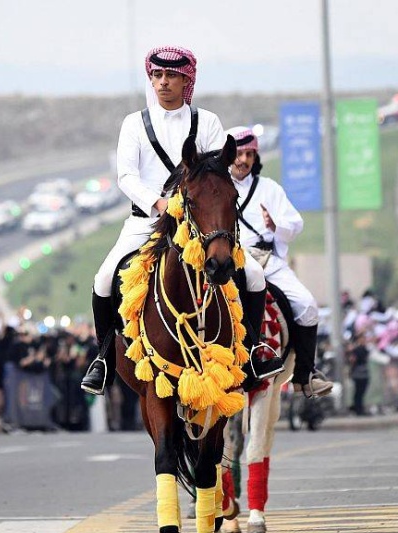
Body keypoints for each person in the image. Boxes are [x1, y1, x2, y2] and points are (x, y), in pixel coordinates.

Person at [81, 46, 270, 395]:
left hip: (199, 223)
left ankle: (254, 349)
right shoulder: (134, 124)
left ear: (186, 80)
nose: (163, 82)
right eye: (157, 76)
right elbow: (125, 176)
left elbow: (216, 174)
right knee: (104, 279)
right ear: (151, 79)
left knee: (254, 274)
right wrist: (159, 203)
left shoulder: (208, 122)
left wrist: (188, 205)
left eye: (171, 76)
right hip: (146, 221)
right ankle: (104, 358)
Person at [226, 126, 333, 397]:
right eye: (238, 153)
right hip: (226, 261)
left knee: (307, 305)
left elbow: (295, 223)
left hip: (264, 260)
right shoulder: (214, 186)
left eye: (249, 154)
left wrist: (276, 225)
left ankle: (304, 375)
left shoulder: (269, 188)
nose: (243, 160)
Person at [347, 333, 370, 415]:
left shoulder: (365, 349)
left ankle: (359, 407)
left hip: (364, 373)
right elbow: (352, 360)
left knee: (361, 392)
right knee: (358, 392)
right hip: (358, 373)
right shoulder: (356, 350)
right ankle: (358, 409)